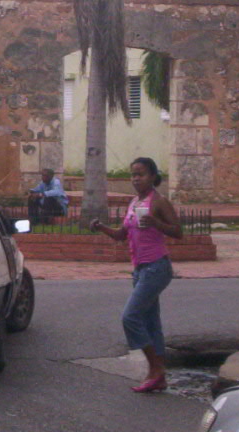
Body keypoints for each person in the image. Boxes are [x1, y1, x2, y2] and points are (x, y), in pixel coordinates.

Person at [90, 157, 182, 393]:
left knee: (130, 317)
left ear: (152, 176)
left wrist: (155, 223)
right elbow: (122, 235)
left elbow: (178, 232)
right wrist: (101, 227)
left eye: (141, 174)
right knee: (151, 322)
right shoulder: (133, 202)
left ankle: (155, 368)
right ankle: (158, 375)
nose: (136, 179)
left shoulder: (159, 202)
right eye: (133, 175)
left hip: (157, 267)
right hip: (139, 269)